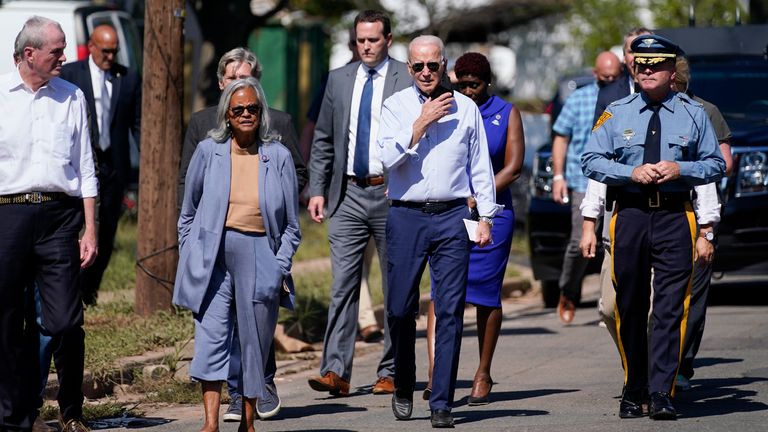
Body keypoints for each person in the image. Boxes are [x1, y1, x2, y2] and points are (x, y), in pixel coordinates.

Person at [581, 34, 725, 420]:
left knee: (669, 308)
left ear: (670, 70)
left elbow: (716, 163)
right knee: (629, 304)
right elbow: (590, 159)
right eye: (640, 64)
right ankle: (634, 386)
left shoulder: (693, 114)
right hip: (629, 214)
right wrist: (629, 171)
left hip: (675, 216)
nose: (645, 70)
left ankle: (662, 390)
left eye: (654, 65)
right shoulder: (616, 111)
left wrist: (683, 168)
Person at [178, 47, 305, 421]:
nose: (246, 114)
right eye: (238, 110)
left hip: (260, 253)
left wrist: (278, 266)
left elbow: (292, 227)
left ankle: (248, 420)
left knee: (254, 343)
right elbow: (188, 212)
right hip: (213, 255)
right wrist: (190, 254)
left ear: (262, 112)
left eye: (253, 108)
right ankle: (210, 422)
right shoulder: (208, 151)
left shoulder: (277, 156)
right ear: (226, 116)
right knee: (211, 338)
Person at [379, 35, 500, 428]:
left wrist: (486, 217)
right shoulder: (395, 107)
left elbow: (480, 166)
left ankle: (442, 401)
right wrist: (420, 124)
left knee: (448, 310)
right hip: (406, 215)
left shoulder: (466, 108)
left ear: (444, 65)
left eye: (433, 65)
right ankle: (403, 380)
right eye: (419, 67)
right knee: (398, 309)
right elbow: (385, 159)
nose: (426, 72)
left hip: (452, 216)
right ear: (409, 68)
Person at [0, 16, 98, 432]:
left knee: (64, 321)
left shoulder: (72, 96)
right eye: (57, 50)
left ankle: (70, 409)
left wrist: (90, 228)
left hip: (59, 217)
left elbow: (87, 166)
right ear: (29, 54)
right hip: (8, 214)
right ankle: (14, 416)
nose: (64, 57)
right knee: (6, 318)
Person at [306, 9, 410, 397]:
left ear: (388, 39)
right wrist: (317, 190)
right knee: (343, 286)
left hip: (392, 193)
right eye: (360, 40)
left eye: (373, 39)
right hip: (347, 194)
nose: (366, 46)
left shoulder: (406, 75)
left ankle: (392, 370)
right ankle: (335, 370)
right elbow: (323, 141)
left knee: (396, 286)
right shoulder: (338, 79)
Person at [422, 52, 525, 405]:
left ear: (487, 83)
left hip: (492, 213)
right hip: (450, 213)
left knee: (483, 292)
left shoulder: (506, 113)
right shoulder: (445, 106)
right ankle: (437, 372)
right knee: (440, 291)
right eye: (462, 84)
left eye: (474, 85)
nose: (467, 91)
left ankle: (483, 373)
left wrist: (481, 195)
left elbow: (513, 167)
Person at [60, 24, 142, 307]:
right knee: (80, 226)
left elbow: (136, 123)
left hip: (113, 165)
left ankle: (90, 290)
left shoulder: (127, 78)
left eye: (114, 51)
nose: (110, 56)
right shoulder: (71, 74)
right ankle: (74, 288)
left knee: (107, 230)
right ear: (92, 47)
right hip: (82, 163)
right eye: (105, 50)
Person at [550, 51, 621, 324]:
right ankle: (568, 291)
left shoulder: (626, 97)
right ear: (595, 74)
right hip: (582, 180)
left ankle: (609, 301)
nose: (610, 81)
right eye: (605, 78)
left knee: (611, 242)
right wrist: (558, 177)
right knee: (580, 241)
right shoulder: (579, 99)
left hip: (615, 178)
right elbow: (560, 137)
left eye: (615, 77)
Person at [593, 27, 653, 124]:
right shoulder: (607, 95)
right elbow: (598, 135)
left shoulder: (671, 90)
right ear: (624, 57)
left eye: (643, 50)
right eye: (632, 52)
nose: (638, 57)